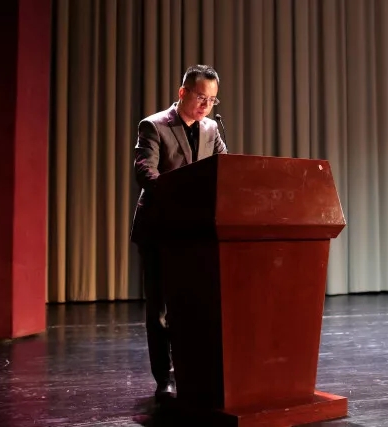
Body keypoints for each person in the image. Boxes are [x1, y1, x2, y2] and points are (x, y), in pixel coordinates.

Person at [130, 65, 227, 401]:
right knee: (160, 311)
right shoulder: (153, 125)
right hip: (160, 229)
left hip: (196, 234)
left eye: (212, 100)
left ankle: (195, 371)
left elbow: (224, 170)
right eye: (201, 97)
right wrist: (185, 198)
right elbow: (146, 173)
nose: (206, 105)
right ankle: (165, 377)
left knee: (193, 306)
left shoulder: (211, 128)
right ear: (183, 92)